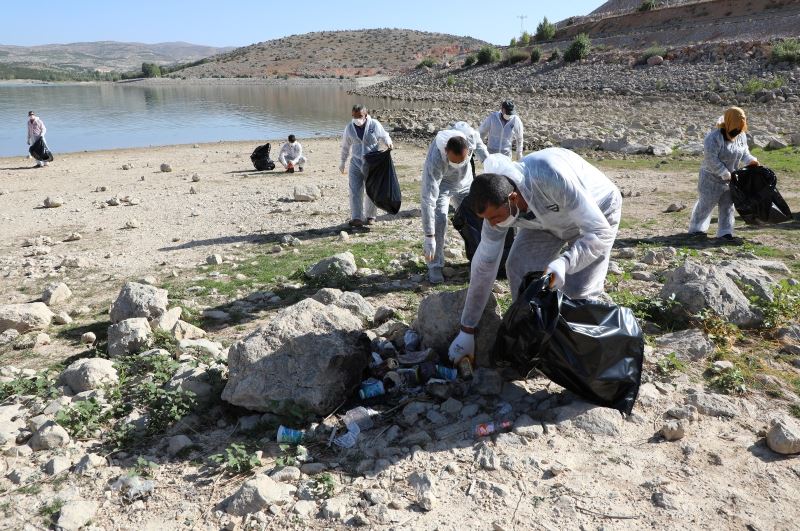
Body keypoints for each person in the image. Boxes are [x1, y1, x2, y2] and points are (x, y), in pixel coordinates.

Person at [447, 149, 622, 364]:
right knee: (519, 266)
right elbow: (484, 266)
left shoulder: (550, 178)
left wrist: (565, 262)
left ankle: (585, 359)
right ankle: (530, 341)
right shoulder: (496, 211)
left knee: (578, 292)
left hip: (597, 212)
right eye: (487, 219)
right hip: (545, 220)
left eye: (495, 217)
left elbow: (599, 233)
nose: (492, 224)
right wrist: (467, 328)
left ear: (513, 198)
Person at [421, 123, 489, 283]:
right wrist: (429, 236)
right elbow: (428, 197)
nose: (458, 164)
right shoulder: (436, 157)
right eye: (454, 161)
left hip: (465, 183)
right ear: (446, 151)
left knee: (476, 219)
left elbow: (486, 157)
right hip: (442, 186)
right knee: (440, 219)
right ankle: (435, 265)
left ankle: (478, 261)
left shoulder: (471, 137)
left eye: (461, 160)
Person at [687, 106, 759, 241]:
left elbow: (744, 152)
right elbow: (710, 158)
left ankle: (725, 232)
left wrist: (751, 160)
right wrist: (722, 171)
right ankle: (697, 229)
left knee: (728, 205)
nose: (738, 130)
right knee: (706, 204)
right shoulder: (713, 138)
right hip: (710, 178)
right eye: (736, 126)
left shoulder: (741, 136)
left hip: (730, 179)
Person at [339, 104, 393, 227]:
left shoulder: (374, 124)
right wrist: (342, 162)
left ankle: (370, 216)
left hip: (372, 163)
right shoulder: (349, 128)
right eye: (354, 116)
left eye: (360, 116)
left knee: (371, 190)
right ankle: (357, 217)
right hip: (356, 163)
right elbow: (345, 146)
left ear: (366, 115)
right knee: (355, 190)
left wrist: (388, 142)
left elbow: (384, 135)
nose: (357, 119)